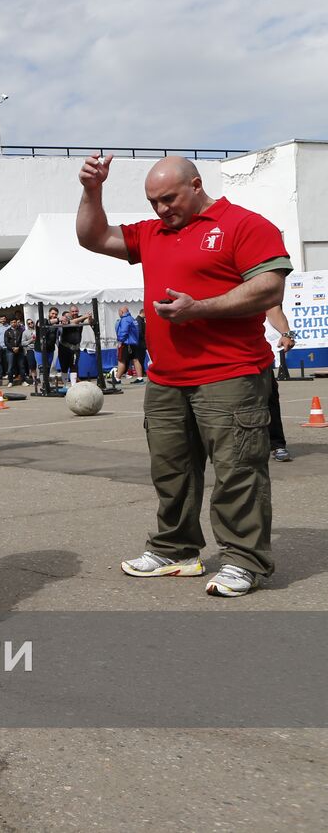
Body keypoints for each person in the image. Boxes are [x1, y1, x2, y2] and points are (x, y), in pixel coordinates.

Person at [76, 154, 291, 597]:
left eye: (169, 199)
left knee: (237, 472)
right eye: (153, 202)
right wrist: (92, 190)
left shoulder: (244, 225)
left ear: (196, 185)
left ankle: (244, 560)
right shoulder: (152, 232)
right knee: (171, 472)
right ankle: (175, 550)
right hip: (166, 379)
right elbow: (92, 237)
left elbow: (270, 287)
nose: (161, 209)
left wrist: (200, 308)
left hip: (230, 374)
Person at [265, 305, 295, 463]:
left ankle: (277, 445)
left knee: (270, 397)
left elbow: (273, 309)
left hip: (256, 352)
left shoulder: (260, 290)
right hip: (222, 351)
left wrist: (287, 333)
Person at [114, 305, 145, 383]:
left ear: (121, 312)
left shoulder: (125, 319)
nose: (118, 314)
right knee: (135, 360)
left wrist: (120, 340)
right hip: (134, 343)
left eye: (119, 312)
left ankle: (117, 379)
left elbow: (123, 331)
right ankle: (140, 378)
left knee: (122, 360)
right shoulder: (132, 319)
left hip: (127, 343)